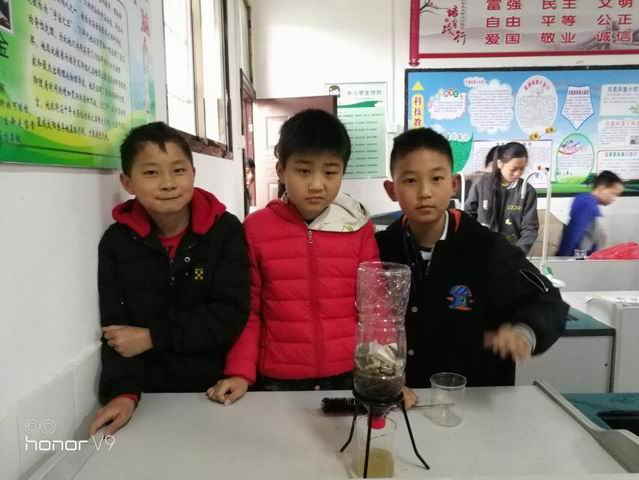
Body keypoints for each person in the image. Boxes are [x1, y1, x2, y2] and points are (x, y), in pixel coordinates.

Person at [376, 128, 568, 400]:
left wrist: (524, 332)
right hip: (403, 401)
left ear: (454, 184)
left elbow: (548, 301)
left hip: (477, 402)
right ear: (391, 190)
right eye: (410, 180)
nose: (425, 192)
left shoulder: (488, 248)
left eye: (436, 178)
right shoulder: (380, 250)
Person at [208, 109, 379, 404]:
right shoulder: (256, 229)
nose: (317, 184)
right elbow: (249, 311)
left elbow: (374, 309)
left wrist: (383, 374)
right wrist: (240, 372)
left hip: (348, 373)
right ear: (281, 170)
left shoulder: (357, 227)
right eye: (303, 171)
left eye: (330, 172)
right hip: (278, 378)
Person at [89, 122, 249, 436]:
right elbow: (116, 330)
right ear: (127, 182)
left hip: (219, 388)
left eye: (178, 171)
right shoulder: (116, 243)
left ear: (193, 173)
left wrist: (153, 337)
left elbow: (230, 314)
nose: (168, 184)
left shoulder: (225, 231)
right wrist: (123, 394)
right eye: (151, 173)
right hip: (150, 395)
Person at [465, 142, 538, 255]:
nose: (518, 173)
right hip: (481, 252)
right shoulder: (482, 185)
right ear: (500, 164)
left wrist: (517, 253)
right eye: (513, 169)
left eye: (522, 169)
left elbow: (530, 228)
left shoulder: (528, 191)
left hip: (512, 254)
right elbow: (468, 216)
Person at [557, 170, 624, 256]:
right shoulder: (586, 203)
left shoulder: (589, 202)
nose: (614, 198)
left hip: (582, 259)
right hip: (577, 259)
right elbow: (573, 234)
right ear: (601, 188)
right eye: (613, 193)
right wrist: (563, 259)